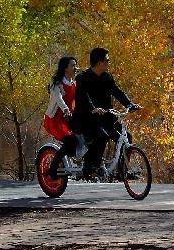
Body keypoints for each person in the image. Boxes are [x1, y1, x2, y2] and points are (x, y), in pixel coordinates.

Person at [72, 48, 139, 179]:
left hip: (107, 118)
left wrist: (129, 104)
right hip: (87, 119)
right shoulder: (82, 78)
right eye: (107, 60)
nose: (109, 63)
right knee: (102, 136)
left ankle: (123, 172)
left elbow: (117, 91)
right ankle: (90, 166)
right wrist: (94, 108)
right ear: (98, 63)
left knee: (127, 137)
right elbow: (83, 97)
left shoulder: (107, 77)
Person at [43, 56, 79, 178]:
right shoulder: (56, 83)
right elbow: (58, 98)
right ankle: (53, 168)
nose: (75, 68)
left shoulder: (74, 84)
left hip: (69, 118)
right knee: (70, 141)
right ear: (65, 68)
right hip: (55, 119)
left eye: (75, 65)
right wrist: (65, 109)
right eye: (72, 65)